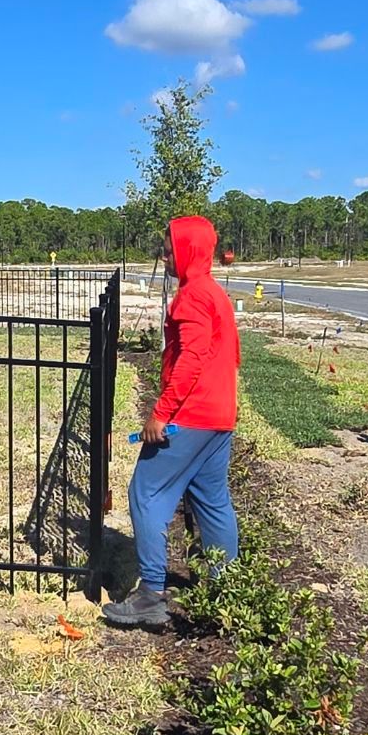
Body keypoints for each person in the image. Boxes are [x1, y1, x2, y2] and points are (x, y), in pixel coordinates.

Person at [104, 213, 241, 630]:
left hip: (191, 416)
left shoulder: (193, 296)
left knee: (146, 493)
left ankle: (151, 594)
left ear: (188, 251)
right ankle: (229, 589)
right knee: (212, 500)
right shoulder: (214, 291)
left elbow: (192, 358)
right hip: (219, 416)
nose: (163, 256)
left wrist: (161, 413)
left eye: (169, 249)